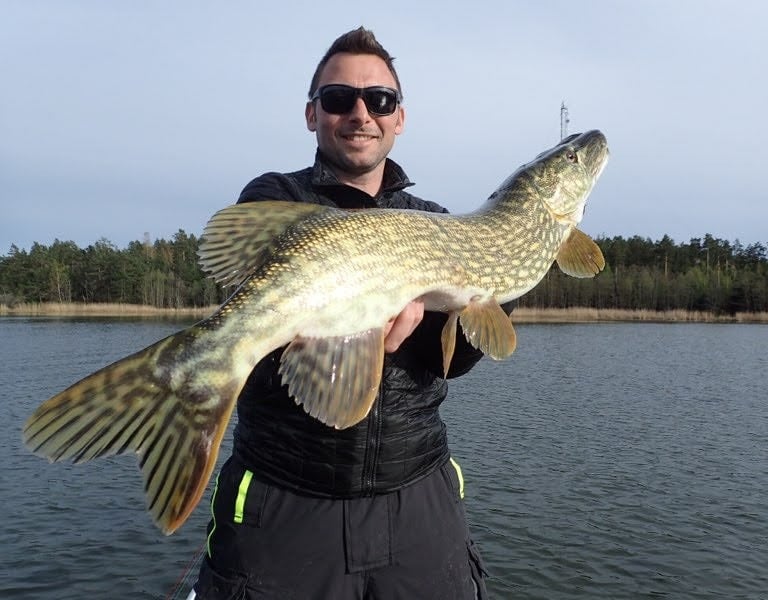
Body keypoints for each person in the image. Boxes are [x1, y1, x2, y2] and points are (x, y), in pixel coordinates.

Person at [192, 27, 491, 599]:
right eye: (338, 99)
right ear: (312, 114)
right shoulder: (275, 195)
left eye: (379, 100)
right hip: (286, 503)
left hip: (418, 499)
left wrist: (477, 293)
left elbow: (455, 361)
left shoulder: (435, 219)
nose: (361, 113)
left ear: (399, 118)